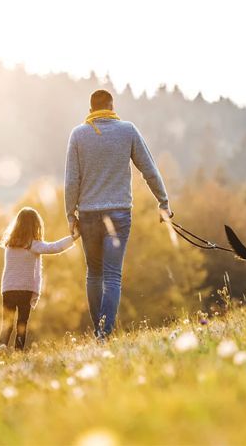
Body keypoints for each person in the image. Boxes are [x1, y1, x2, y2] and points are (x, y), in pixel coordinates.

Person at [64, 89, 173, 340]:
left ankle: (99, 332)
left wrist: (70, 215)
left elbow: (71, 181)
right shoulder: (127, 130)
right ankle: (104, 333)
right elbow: (149, 170)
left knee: (94, 273)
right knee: (112, 275)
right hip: (119, 214)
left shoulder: (78, 134)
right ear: (112, 107)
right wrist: (163, 202)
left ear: (91, 110)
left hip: (88, 214)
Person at [0, 207, 79, 352]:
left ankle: (1, 347)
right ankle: (18, 352)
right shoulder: (32, 245)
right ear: (35, 226)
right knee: (22, 322)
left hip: (8, 289)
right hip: (24, 290)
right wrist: (73, 237)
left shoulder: (10, 245)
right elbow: (54, 247)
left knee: (6, 322)